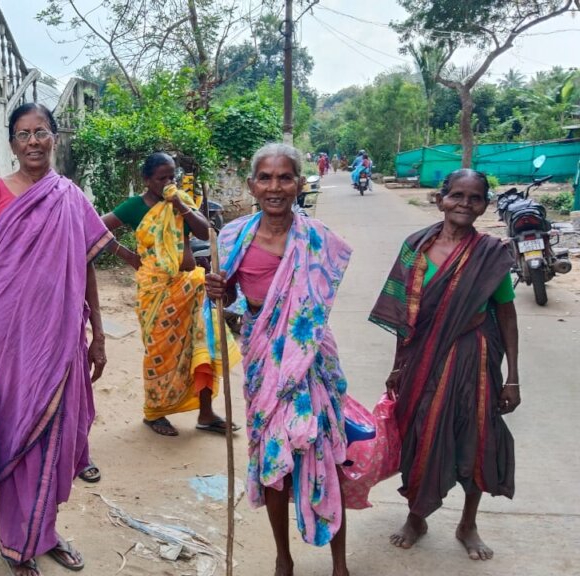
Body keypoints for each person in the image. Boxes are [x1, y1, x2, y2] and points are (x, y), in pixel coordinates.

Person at [0, 103, 112, 576]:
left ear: (54, 138)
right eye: (23, 134)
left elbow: (86, 263)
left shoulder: (69, 195)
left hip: (62, 333)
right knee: (16, 432)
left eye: (41, 132)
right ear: (11, 143)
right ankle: (13, 544)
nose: (32, 142)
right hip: (9, 335)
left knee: (56, 431)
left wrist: (99, 334)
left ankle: (43, 533)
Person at [206, 143, 353, 576]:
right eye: (265, 178)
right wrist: (220, 291)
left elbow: (314, 305)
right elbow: (232, 298)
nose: (275, 187)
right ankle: (282, 558)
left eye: (284, 177)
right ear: (253, 185)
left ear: (299, 184)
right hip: (262, 360)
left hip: (309, 361)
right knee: (274, 462)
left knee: (323, 454)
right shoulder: (232, 236)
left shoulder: (318, 239)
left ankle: (339, 564)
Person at [369, 169, 519, 561]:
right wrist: (399, 364)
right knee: (419, 436)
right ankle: (416, 516)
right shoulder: (415, 247)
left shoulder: (490, 255)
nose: (464, 204)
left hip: (476, 357)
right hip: (421, 359)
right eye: (456, 195)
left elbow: (506, 314)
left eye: (474, 198)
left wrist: (513, 378)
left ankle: (468, 523)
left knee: (476, 437)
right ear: (441, 199)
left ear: (485, 205)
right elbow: (403, 316)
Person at [101, 152, 234, 437]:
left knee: (202, 350)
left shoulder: (181, 202)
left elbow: (204, 231)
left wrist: (180, 204)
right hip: (156, 292)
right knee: (159, 353)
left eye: (171, 176)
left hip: (191, 287)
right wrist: (125, 254)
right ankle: (156, 412)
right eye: (161, 178)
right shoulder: (135, 206)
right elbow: (95, 225)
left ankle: (206, 412)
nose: (167, 182)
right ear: (146, 179)